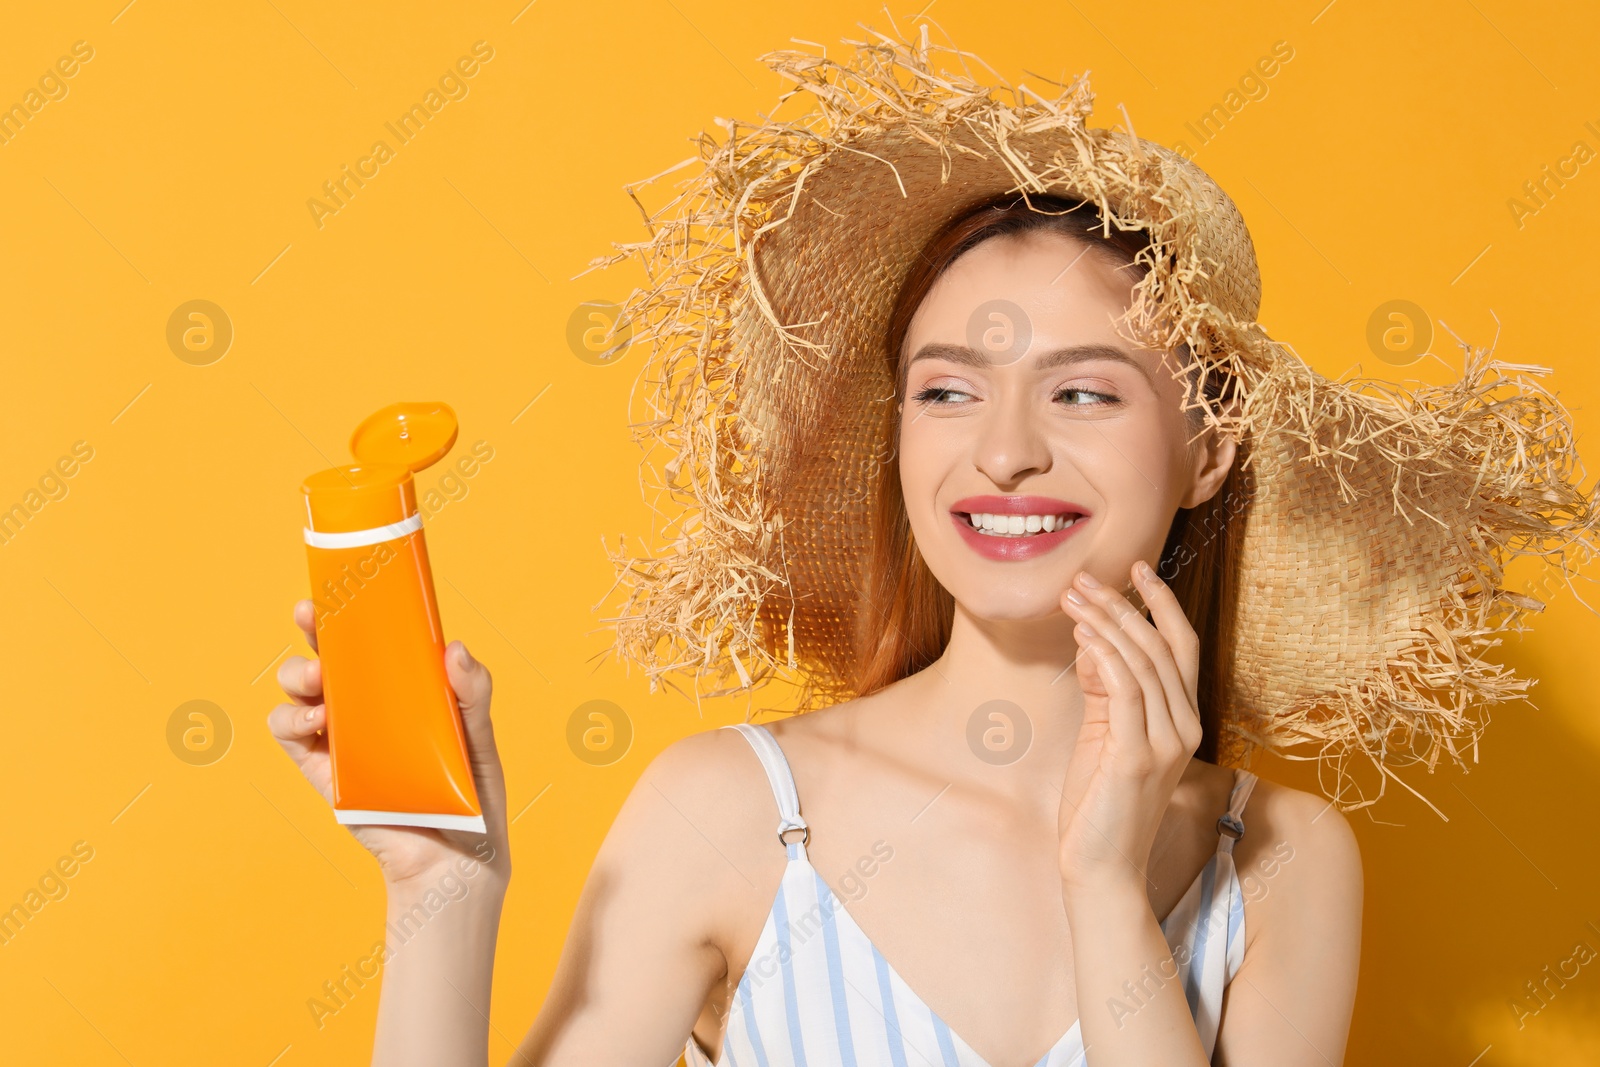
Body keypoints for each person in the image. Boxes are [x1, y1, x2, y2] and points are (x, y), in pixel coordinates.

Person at [268, 26, 1592, 1067]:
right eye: (949, 389)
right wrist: (441, 889)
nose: (1002, 451)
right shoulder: (732, 811)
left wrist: (1105, 886)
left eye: (1083, 392)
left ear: (1210, 447)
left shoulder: (1285, 861)